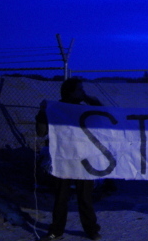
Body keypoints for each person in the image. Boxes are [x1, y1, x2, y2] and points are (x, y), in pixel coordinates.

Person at [35, 78, 103, 241]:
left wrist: (86, 97)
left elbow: (102, 112)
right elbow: (41, 132)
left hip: (83, 159)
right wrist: (43, 112)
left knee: (85, 196)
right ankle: (56, 230)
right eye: (79, 89)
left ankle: (91, 229)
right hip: (62, 159)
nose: (83, 92)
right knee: (61, 196)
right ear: (70, 92)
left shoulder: (82, 110)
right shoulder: (55, 110)